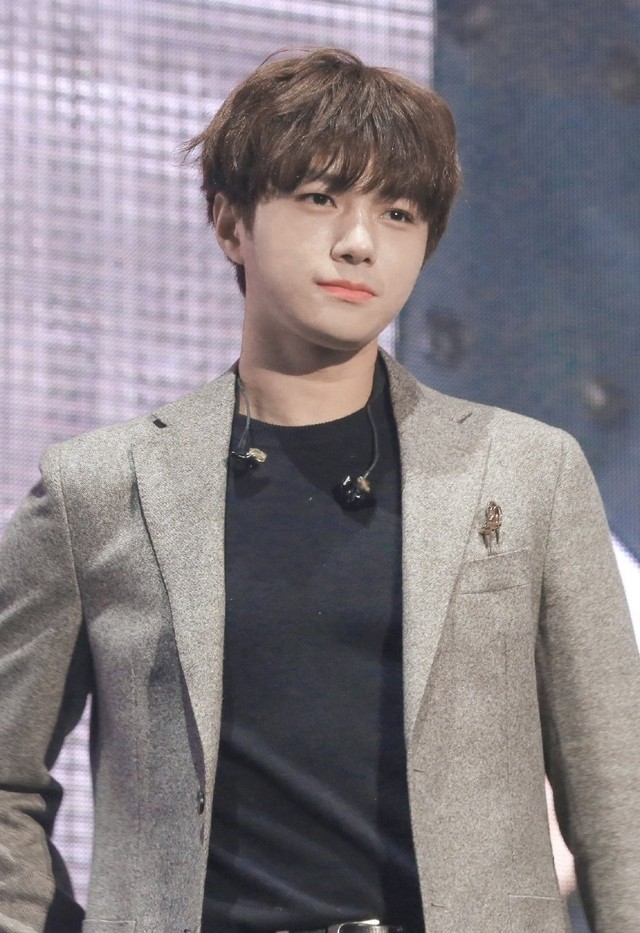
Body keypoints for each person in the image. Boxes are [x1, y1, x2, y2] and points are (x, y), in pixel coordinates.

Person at [0, 47, 638, 933]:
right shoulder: (100, 489)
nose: (359, 241)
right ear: (230, 223)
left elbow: (619, 795)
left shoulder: (527, 472)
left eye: (399, 212)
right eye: (318, 197)